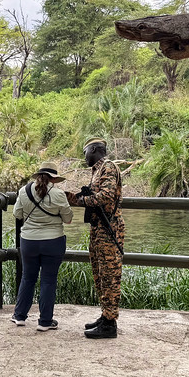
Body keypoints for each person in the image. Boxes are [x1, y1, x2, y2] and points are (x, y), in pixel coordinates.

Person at [66, 137, 124, 339]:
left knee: (109, 275)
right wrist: (70, 196)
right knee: (100, 273)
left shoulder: (107, 167)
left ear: (94, 149)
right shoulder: (98, 170)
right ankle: (106, 315)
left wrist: (82, 200)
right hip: (99, 228)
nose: (84, 156)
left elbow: (106, 196)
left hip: (109, 229)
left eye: (85, 152)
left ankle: (110, 324)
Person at [11, 162, 73, 331]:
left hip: (28, 241)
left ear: (37, 176)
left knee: (27, 278)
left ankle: (19, 316)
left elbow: (17, 214)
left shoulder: (24, 191)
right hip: (53, 242)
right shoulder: (59, 194)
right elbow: (68, 219)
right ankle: (45, 322)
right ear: (54, 179)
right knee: (48, 281)